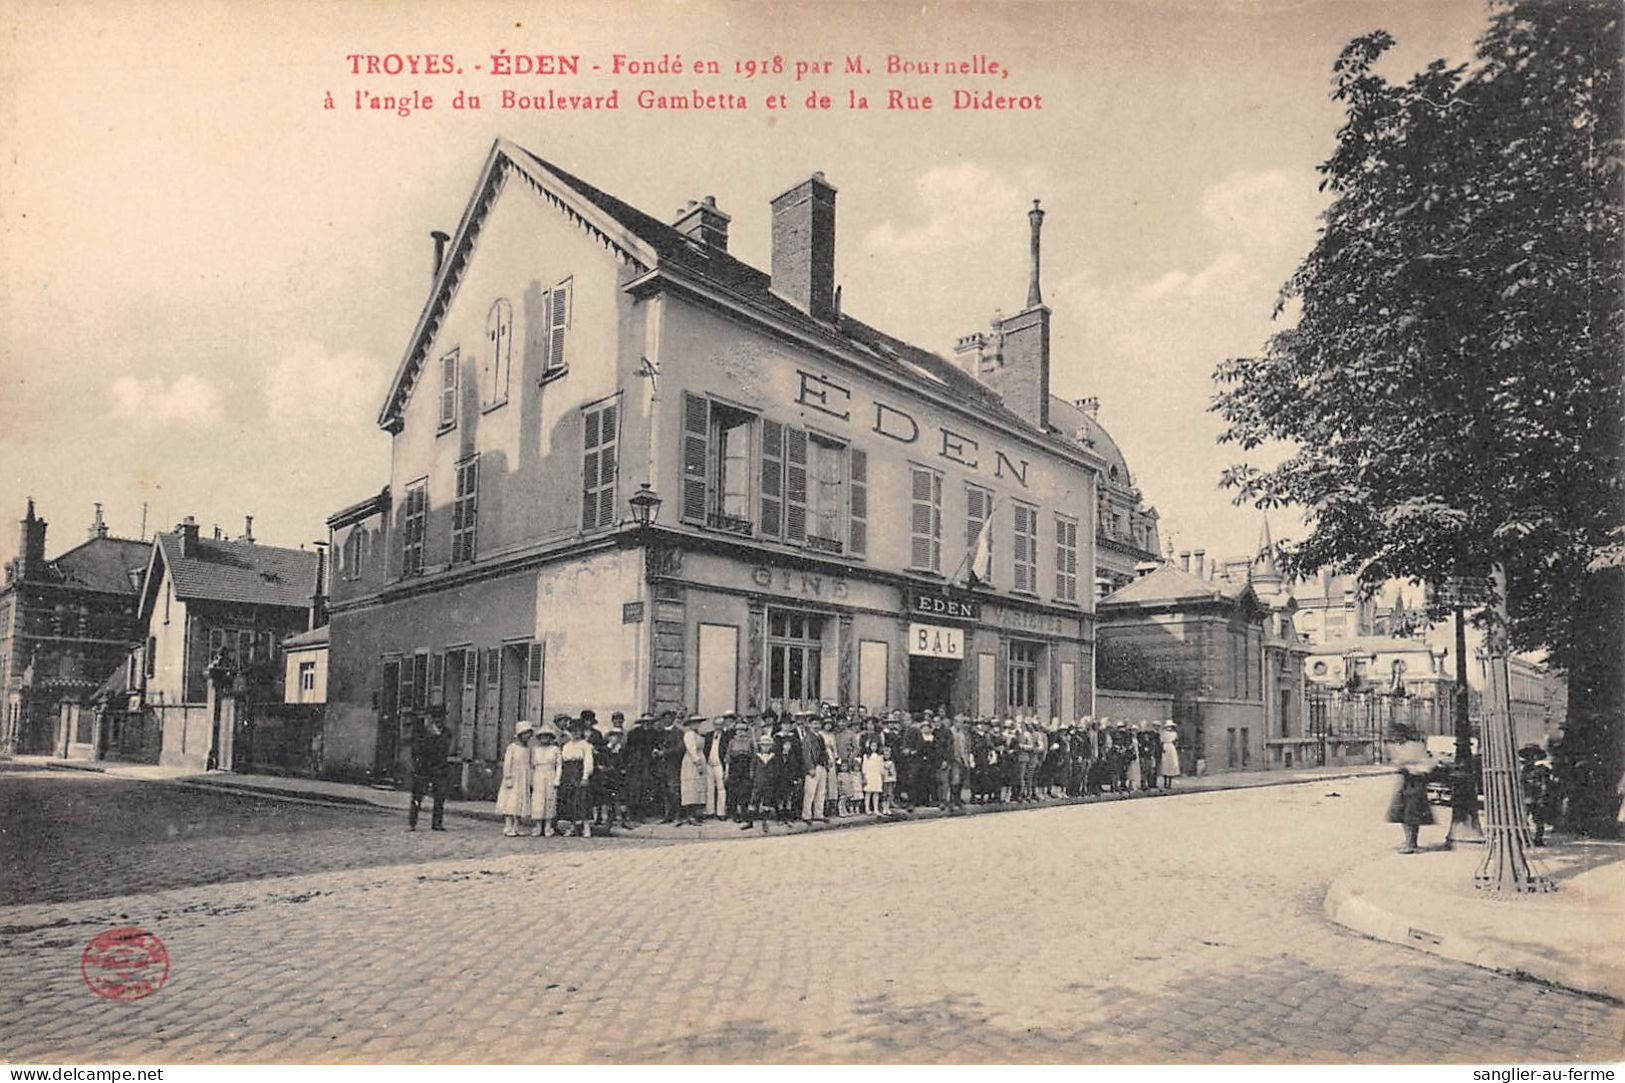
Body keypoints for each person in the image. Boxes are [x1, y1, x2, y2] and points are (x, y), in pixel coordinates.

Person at [409, 708, 452, 832]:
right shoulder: (423, 732)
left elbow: (445, 748)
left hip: (439, 768)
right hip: (423, 767)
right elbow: (417, 749)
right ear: (432, 719)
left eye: (441, 718)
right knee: (417, 796)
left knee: (439, 797)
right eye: (436, 718)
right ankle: (412, 822)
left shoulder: (447, 732)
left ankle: (437, 823)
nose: (439, 721)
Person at [1386, 747, 1435, 853]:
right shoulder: (1419, 758)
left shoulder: (1414, 762)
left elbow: (1415, 772)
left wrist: (1404, 766)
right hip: (1413, 790)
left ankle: (1410, 844)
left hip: (1410, 790)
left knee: (1408, 818)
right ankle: (1411, 842)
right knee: (1410, 818)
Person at [558, 718, 597, 837]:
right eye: (572, 730)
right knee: (569, 801)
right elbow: (562, 761)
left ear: (582, 731)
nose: (575, 733)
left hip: (579, 772)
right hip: (568, 774)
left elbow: (588, 761)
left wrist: (585, 776)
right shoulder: (566, 746)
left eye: (577, 730)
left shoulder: (586, 745)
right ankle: (573, 827)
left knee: (582, 800)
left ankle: (586, 828)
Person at [495, 721, 534, 837]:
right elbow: (507, 764)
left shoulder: (528, 748)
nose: (527, 736)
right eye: (525, 733)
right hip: (514, 777)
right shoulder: (512, 747)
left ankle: (516, 827)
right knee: (511, 801)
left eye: (529, 734)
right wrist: (508, 777)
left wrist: (530, 779)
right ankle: (508, 826)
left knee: (520, 802)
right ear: (520, 734)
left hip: (523, 778)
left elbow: (529, 764)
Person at [529, 722, 563, 837]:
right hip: (538, 775)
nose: (545, 738)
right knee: (538, 800)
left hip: (550, 774)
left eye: (547, 736)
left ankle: (548, 826)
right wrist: (531, 780)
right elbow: (532, 766)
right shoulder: (535, 750)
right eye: (542, 736)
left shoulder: (555, 749)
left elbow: (559, 765)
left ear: (551, 737)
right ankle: (538, 826)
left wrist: (557, 779)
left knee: (550, 799)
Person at [680, 714, 708, 825]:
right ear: (690, 724)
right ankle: (690, 815)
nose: (697, 724)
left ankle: (697, 813)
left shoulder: (698, 734)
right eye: (694, 722)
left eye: (698, 722)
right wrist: (698, 763)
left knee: (698, 787)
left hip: (700, 758)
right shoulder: (689, 734)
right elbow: (691, 750)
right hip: (692, 762)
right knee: (691, 787)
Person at [1159, 721, 1182, 790]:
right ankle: (1165, 782)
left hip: (1171, 748)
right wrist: (1162, 748)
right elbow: (1161, 741)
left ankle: (1169, 783)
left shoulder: (1174, 734)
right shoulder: (1163, 734)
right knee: (1165, 764)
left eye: (1170, 727)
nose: (1169, 728)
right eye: (1167, 727)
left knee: (1172, 764)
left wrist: (1175, 745)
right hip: (1165, 747)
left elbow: (1176, 741)